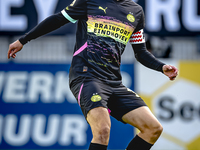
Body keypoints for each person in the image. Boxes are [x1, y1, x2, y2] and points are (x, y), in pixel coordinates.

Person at [7, 0, 178, 149]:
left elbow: (140, 52)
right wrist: (24, 40)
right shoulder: (90, 1)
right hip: (86, 77)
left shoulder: (136, 11)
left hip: (114, 82)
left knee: (153, 128)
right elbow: (58, 19)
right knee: (103, 130)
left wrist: (161, 67)